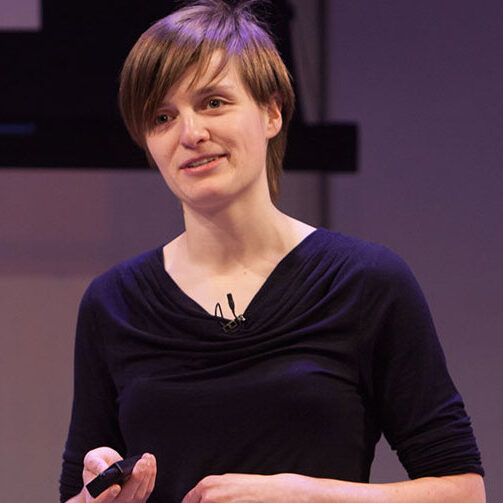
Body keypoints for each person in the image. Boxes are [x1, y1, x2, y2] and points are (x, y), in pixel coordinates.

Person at [60, 1, 485, 502]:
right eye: (162, 117)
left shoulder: (366, 282)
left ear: (272, 112)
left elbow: (464, 491)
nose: (191, 134)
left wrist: (309, 496)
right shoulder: (113, 304)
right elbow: (73, 494)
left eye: (213, 102)